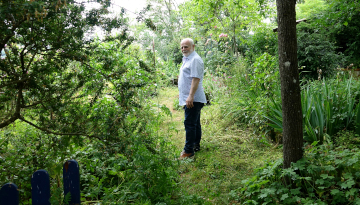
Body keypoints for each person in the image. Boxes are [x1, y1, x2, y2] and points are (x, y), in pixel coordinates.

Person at [178, 38, 207, 160]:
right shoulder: (187, 59)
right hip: (190, 97)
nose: (184, 49)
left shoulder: (195, 60)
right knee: (195, 123)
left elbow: (196, 79)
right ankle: (195, 145)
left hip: (193, 98)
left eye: (186, 46)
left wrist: (190, 96)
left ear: (193, 46)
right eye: (182, 47)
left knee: (189, 123)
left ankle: (188, 151)